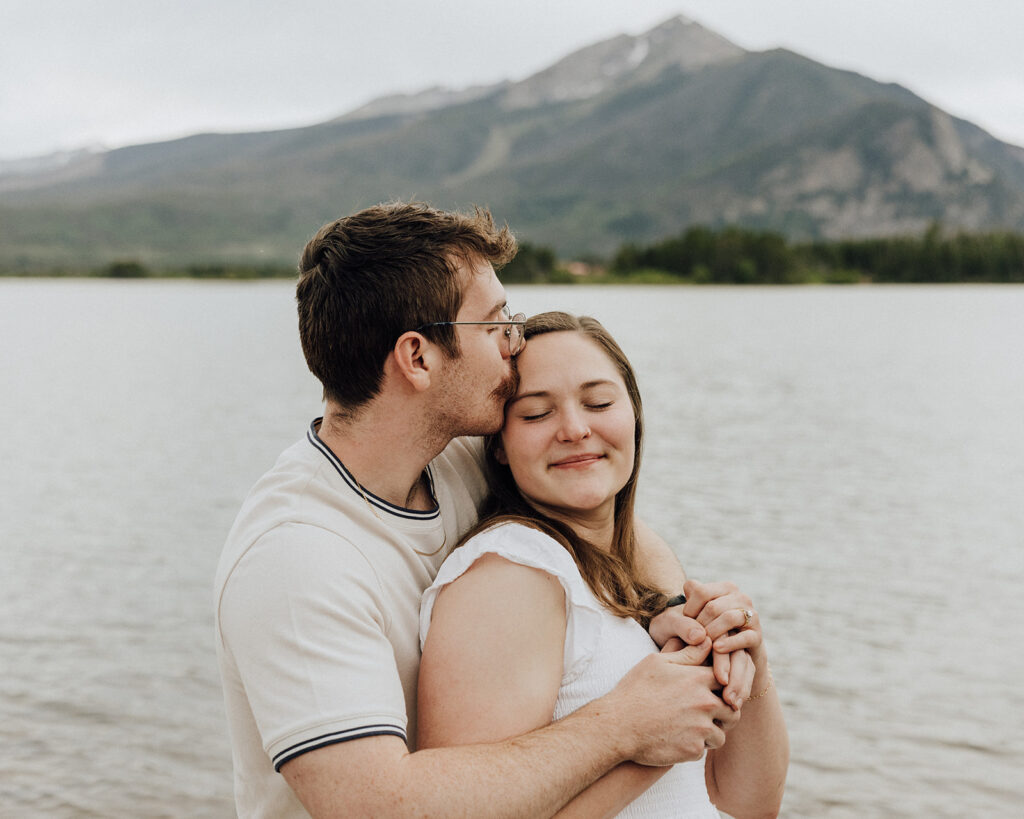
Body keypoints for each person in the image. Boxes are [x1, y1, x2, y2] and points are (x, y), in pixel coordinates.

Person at [214, 202, 754, 818]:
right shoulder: (297, 558)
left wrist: (664, 608)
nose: (513, 340)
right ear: (418, 358)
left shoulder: (452, 458)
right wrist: (625, 726)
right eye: (494, 323)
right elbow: (375, 807)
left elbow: (611, 523)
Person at [418, 312, 789, 817]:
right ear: (500, 447)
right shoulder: (511, 574)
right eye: (534, 414)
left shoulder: (636, 558)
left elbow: (749, 804)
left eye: (598, 403)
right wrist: (648, 741)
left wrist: (749, 660)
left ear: (633, 414)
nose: (574, 429)